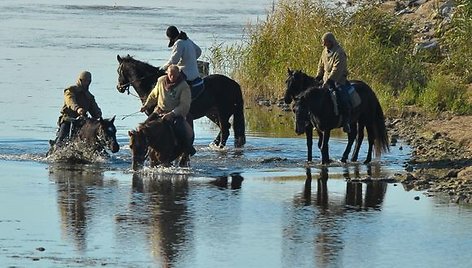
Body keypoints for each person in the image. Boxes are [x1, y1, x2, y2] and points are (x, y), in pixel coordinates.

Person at [140, 64, 196, 156]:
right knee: (143, 128)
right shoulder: (161, 81)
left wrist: (172, 113)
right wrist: (146, 105)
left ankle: (187, 148)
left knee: (181, 130)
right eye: (171, 75)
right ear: (167, 73)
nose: (172, 77)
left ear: (179, 75)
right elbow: (154, 95)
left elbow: (184, 105)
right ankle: (141, 151)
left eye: (175, 75)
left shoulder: (184, 86)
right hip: (159, 111)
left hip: (175, 115)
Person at [314, 32, 352, 133]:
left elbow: (337, 69)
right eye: (323, 42)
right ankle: (316, 121)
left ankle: (346, 121)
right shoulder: (324, 52)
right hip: (325, 79)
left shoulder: (339, 52)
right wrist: (318, 77)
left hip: (338, 80)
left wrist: (330, 81)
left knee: (342, 97)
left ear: (331, 42)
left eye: (325, 42)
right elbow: (321, 66)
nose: (324, 44)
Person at [55, 71, 102, 144]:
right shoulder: (71, 90)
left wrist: (98, 113)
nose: (87, 83)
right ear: (80, 80)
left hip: (82, 122)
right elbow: (70, 101)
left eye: (88, 81)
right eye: (85, 81)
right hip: (69, 120)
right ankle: (57, 150)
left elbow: (94, 110)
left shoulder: (89, 96)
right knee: (61, 140)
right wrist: (78, 109)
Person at [161, 25, 203, 100]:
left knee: (166, 83)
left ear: (171, 37)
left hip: (185, 73)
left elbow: (173, 61)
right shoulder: (187, 40)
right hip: (195, 73)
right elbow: (199, 51)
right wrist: (190, 59)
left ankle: (170, 102)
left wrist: (162, 68)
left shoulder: (179, 43)